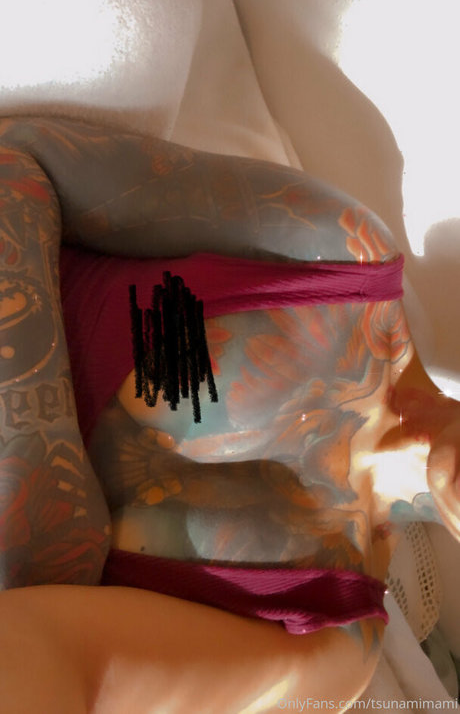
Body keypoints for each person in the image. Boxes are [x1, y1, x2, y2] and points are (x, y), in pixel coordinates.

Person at [0, 116, 458, 713]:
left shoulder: (333, 648)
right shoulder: (345, 255)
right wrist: (37, 476)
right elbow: (19, 162)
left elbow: (53, 669)